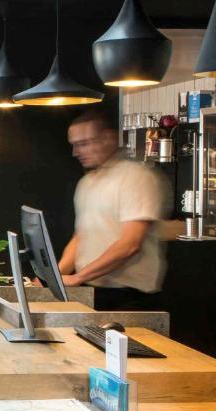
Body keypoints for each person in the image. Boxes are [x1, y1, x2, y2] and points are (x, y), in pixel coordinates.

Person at [59, 109, 169, 312]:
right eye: (74, 145)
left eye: (83, 144)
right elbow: (81, 237)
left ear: (108, 139)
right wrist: (53, 279)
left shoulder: (135, 177)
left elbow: (130, 244)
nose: (76, 152)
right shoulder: (87, 182)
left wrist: (78, 277)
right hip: (94, 291)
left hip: (129, 298)